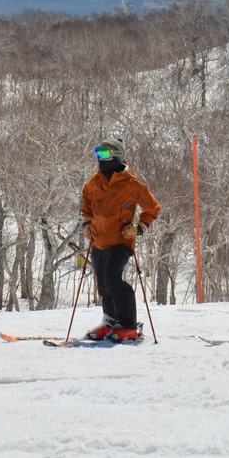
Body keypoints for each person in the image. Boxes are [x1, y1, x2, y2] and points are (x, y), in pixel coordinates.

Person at [79, 138, 160, 343]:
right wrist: (86, 224)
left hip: (120, 242)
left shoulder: (131, 184)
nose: (100, 158)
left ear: (116, 155)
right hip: (98, 241)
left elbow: (153, 208)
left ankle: (128, 326)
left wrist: (138, 228)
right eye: (98, 153)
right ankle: (110, 321)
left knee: (113, 278)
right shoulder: (93, 182)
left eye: (105, 154)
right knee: (104, 284)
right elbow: (87, 204)